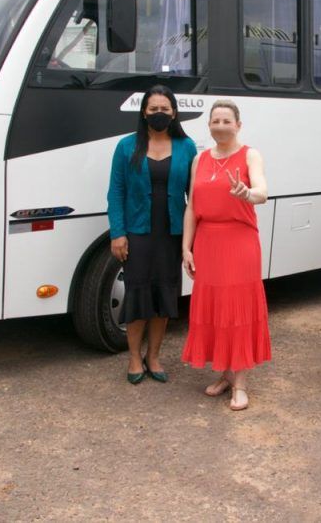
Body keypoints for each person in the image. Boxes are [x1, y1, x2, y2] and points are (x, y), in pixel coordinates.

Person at [181, 99, 271, 410]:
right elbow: (192, 207)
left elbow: (262, 191)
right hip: (207, 242)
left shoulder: (250, 155)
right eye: (215, 120)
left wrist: (247, 193)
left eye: (226, 121)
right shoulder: (200, 159)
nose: (220, 125)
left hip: (239, 242)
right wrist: (186, 248)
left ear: (238, 125)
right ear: (209, 125)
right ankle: (224, 373)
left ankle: (241, 384)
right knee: (217, 308)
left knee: (237, 310)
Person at [108, 85, 197, 384]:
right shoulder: (126, 146)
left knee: (163, 297)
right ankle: (134, 358)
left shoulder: (187, 147)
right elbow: (115, 192)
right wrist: (118, 233)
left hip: (171, 234)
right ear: (144, 112)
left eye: (165, 109)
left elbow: (194, 196)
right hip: (138, 234)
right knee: (138, 296)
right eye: (153, 109)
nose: (159, 113)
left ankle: (154, 356)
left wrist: (194, 238)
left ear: (174, 113)